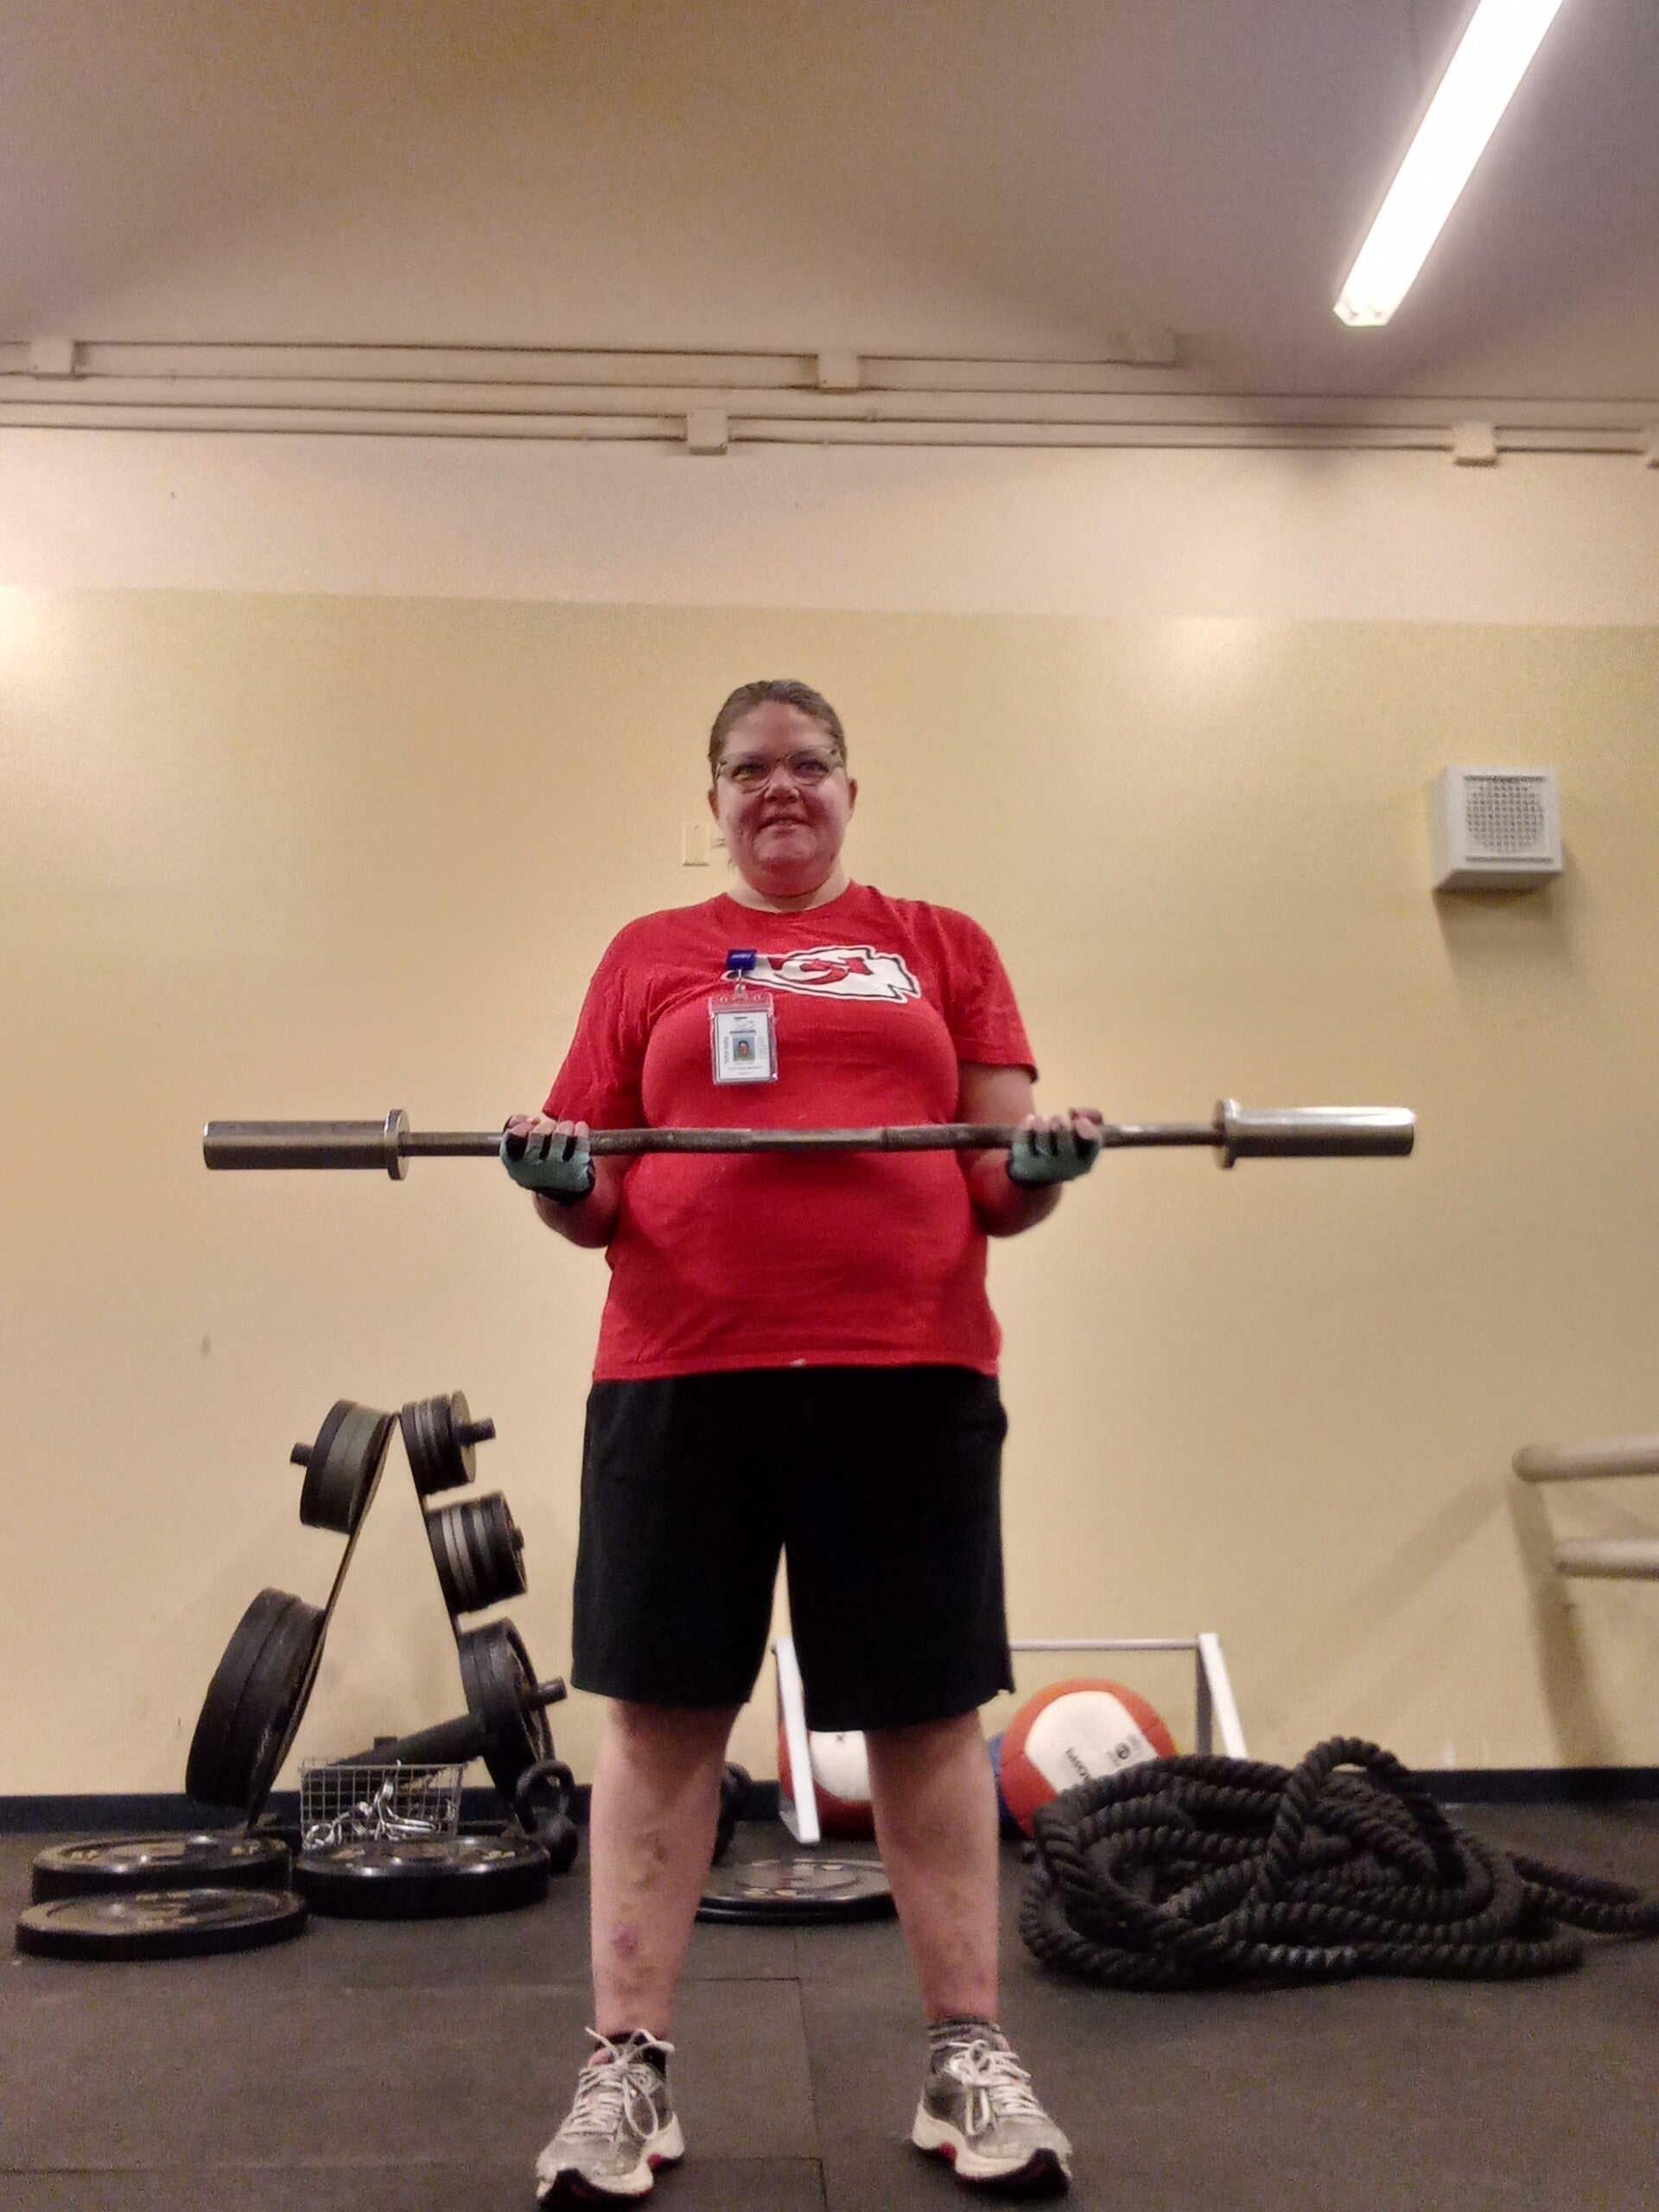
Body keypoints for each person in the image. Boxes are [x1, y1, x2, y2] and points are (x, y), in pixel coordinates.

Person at [503, 678, 1103, 2204]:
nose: (781, 788)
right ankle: (625, 2072)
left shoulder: (941, 945)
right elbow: (596, 1195)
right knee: (661, 1719)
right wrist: (558, 1178)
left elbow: (998, 1183)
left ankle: (967, 2058)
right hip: (682, 1370)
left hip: (903, 1368)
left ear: (850, 787)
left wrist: (1043, 1164)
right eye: (749, 768)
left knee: (924, 1715)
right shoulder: (649, 955)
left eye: (809, 765)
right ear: (712, 798)